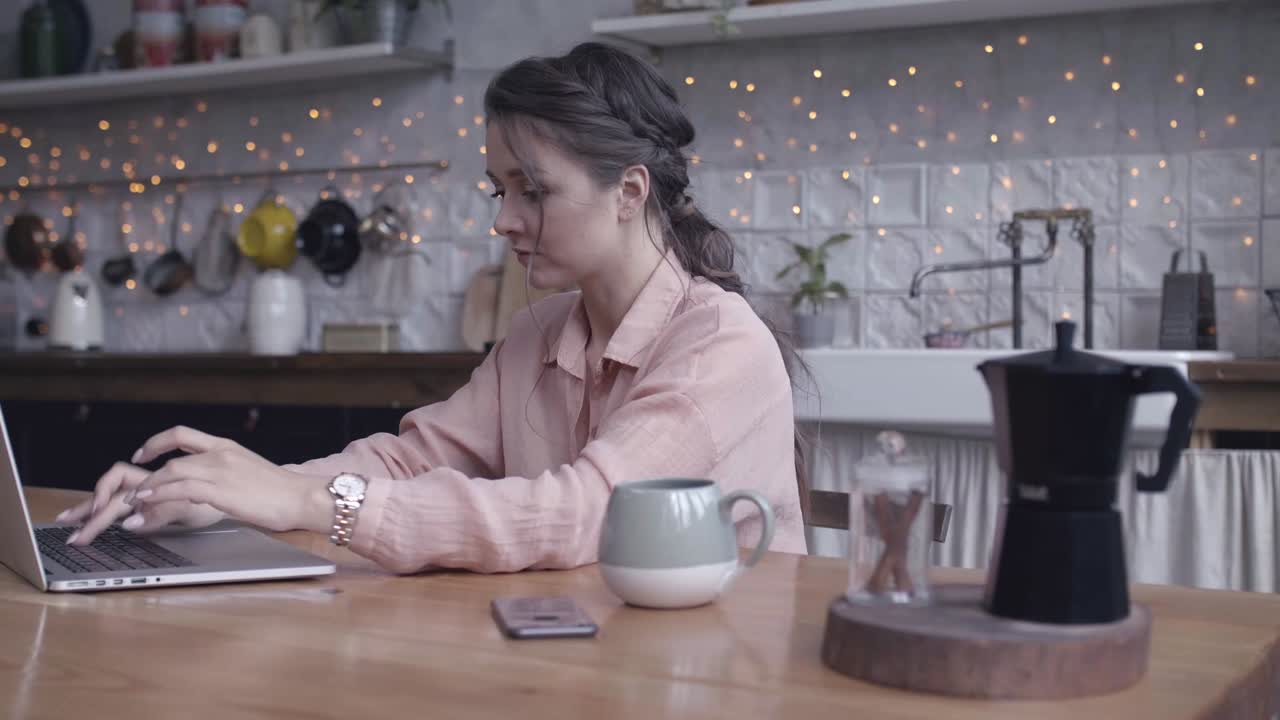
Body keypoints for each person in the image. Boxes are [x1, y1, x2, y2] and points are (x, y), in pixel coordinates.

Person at [58, 42, 807, 573]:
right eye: (498, 189)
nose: (502, 220)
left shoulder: (719, 344)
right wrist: (229, 495)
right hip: (592, 654)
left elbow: (588, 514)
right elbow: (408, 459)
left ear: (630, 193)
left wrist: (311, 503)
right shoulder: (538, 332)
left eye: (532, 191)